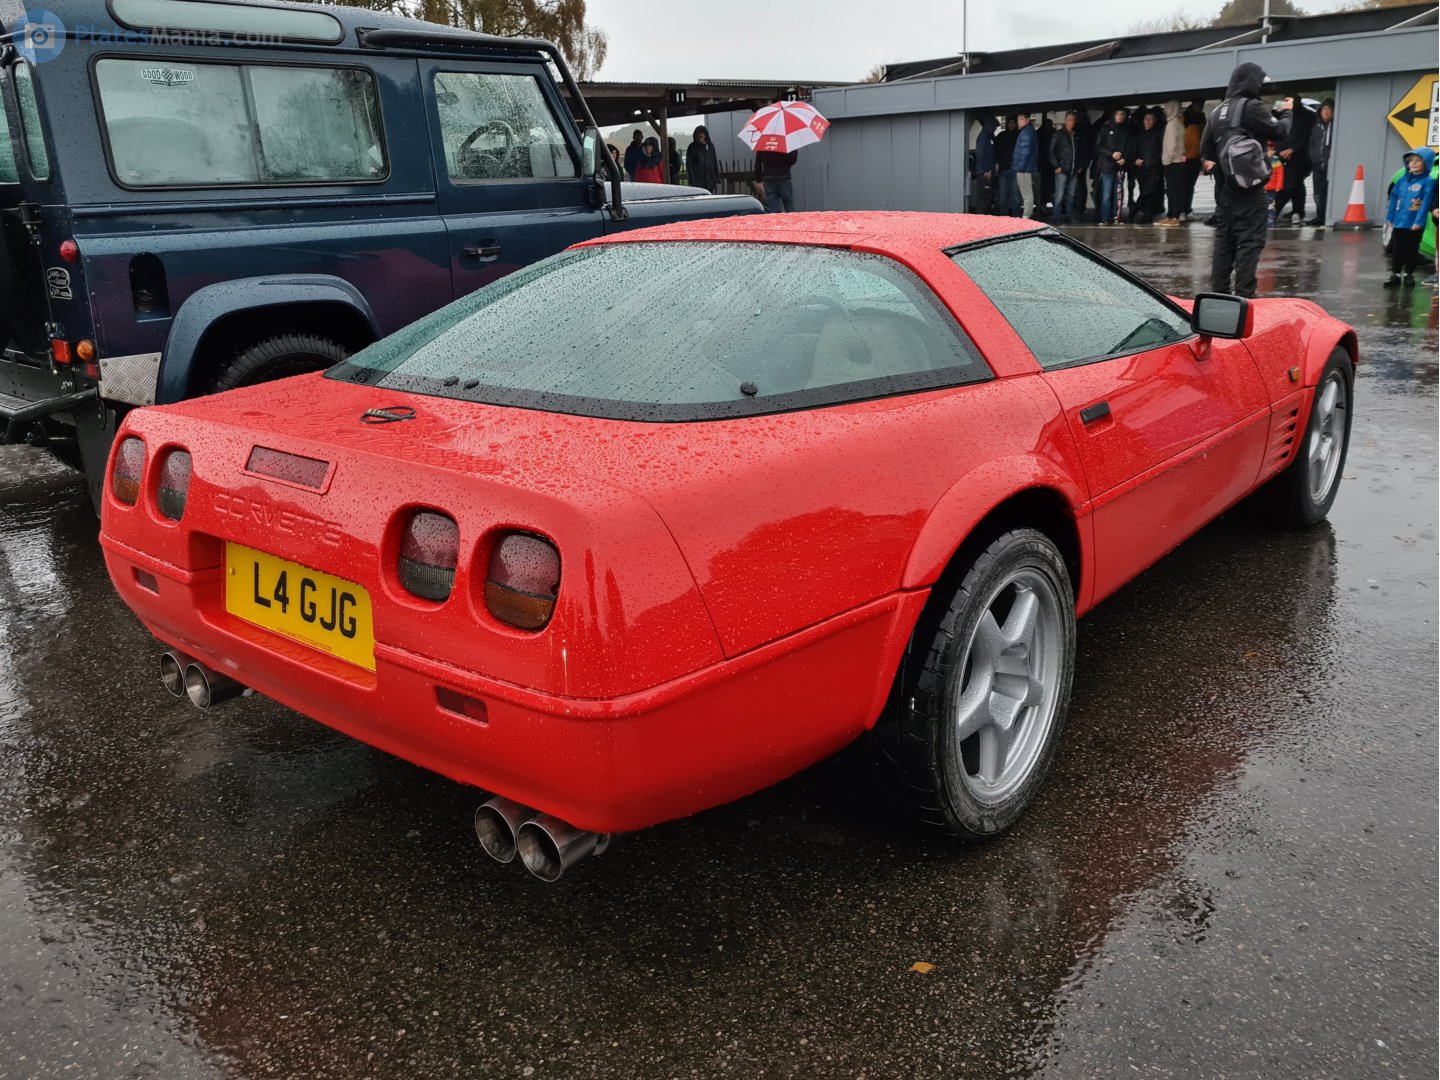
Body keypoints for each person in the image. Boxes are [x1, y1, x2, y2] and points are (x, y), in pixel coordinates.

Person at [1200, 61, 1292, 298]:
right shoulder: (1251, 107)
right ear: (1252, 82)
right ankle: (1244, 297)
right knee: (1249, 242)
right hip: (1249, 190)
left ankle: (1218, 296)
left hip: (1223, 190)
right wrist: (1287, 113)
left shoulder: (1217, 112)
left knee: (1224, 241)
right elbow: (1280, 131)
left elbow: (1206, 149)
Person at [1383, 147, 1437, 287]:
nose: (1413, 163)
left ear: (1427, 163)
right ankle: (1395, 274)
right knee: (1397, 248)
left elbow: (1426, 203)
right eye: (1410, 160)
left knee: (1412, 249)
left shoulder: (1429, 181)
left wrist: (1419, 221)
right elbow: (1394, 198)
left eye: (1418, 160)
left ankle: (1408, 274)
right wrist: (1390, 218)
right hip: (1400, 222)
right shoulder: (1402, 179)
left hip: (1414, 223)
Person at [1271, 96, 1314, 225]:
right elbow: (1274, 123)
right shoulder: (1282, 115)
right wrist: (1280, 151)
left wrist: (1292, 150)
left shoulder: (1306, 116)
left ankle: (1278, 210)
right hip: (1282, 155)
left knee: (1291, 184)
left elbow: (1306, 137)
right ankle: (1297, 210)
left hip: (1300, 157)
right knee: (1295, 185)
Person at [1094, 107, 1132, 225]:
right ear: (1113, 115)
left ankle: (1116, 217)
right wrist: (1111, 154)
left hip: (1120, 168)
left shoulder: (1127, 131)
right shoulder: (1105, 129)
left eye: (1122, 114)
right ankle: (1105, 217)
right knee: (1106, 194)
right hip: (1107, 167)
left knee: (1118, 194)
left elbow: (1130, 147)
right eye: (1118, 114)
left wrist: (1124, 158)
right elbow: (1098, 147)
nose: (1120, 117)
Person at [1130, 109, 1163, 224]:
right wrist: (1135, 160)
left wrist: (1156, 162)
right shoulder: (1138, 136)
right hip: (1141, 168)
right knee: (1145, 191)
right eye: (1146, 119)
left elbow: (1161, 151)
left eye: (1151, 119)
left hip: (1153, 168)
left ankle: (1133, 211)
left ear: (1154, 121)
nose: (1148, 121)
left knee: (1148, 191)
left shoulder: (1158, 135)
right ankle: (1147, 216)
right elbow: (1133, 151)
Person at [1158, 100, 1187, 226]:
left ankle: (1173, 216)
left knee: (1172, 191)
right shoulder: (1179, 123)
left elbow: (1171, 145)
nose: (1165, 111)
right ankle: (1173, 215)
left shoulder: (1171, 124)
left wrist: (1167, 160)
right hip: (1179, 162)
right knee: (1176, 190)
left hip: (1172, 162)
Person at [1050, 111, 1082, 224]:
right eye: (1069, 120)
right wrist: (1056, 166)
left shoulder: (1076, 135)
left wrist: (1079, 166)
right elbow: (1051, 151)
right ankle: (1057, 217)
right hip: (1062, 169)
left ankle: (1069, 215)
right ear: (1065, 120)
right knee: (1059, 194)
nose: (1072, 122)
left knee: (1071, 195)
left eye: (1073, 120)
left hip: (1073, 170)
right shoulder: (1059, 135)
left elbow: (1079, 153)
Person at [1306, 99, 1333, 226]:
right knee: (1317, 193)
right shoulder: (1317, 126)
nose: (1326, 112)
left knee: (1329, 191)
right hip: (1317, 165)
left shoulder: (1335, 126)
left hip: (1331, 165)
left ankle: (1329, 216)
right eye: (1324, 109)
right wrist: (1314, 158)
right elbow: (1311, 143)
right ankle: (1320, 216)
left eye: (1329, 109)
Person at [1182, 102, 1206, 218]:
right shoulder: (1198, 120)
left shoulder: (1187, 118)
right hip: (1191, 156)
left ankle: (1185, 209)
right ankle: (1185, 209)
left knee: (1188, 185)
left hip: (1192, 156)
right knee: (1188, 185)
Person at [1012, 112, 1039, 218]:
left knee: (1026, 193)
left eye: (1022, 119)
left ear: (1027, 120)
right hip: (1026, 168)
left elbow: (1025, 152)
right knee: (1027, 192)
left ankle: (1026, 216)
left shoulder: (1025, 133)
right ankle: (1027, 214)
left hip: (1024, 169)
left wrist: (1021, 169)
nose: (1019, 122)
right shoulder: (1029, 131)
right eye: (1018, 119)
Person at [972, 114, 998, 214]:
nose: (995, 128)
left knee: (985, 195)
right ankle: (982, 216)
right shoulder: (984, 137)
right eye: (994, 126)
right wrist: (987, 169)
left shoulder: (986, 136)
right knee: (984, 196)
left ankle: (983, 215)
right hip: (984, 172)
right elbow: (981, 155)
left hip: (984, 171)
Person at [685, 125, 720, 192]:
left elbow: (714, 160)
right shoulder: (692, 147)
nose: (701, 135)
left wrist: (717, 177)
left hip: (710, 179)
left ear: (705, 135)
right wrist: (692, 180)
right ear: (695, 135)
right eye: (699, 134)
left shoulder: (710, 145)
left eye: (702, 133)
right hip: (698, 180)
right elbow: (689, 164)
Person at [995, 117, 1019, 216]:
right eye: (1010, 123)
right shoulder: (1001, 136)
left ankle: (1015, 216)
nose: (1011, 125)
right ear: (1007, 124)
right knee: (1003, 194)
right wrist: (996, 163)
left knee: (1015, 194)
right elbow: (995, 151)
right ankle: (1004, 216)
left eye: (1013, 123)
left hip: (1015, 169)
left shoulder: (1019, 136)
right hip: (1003, 169)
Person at [1038, 116, 1055, 216]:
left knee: (1049, 187)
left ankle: (1045, 206)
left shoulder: (1040, 133)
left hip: (1048, 164)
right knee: (1045, 187)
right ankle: (1044, 206)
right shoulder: (1052, 133)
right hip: (1044, 163)